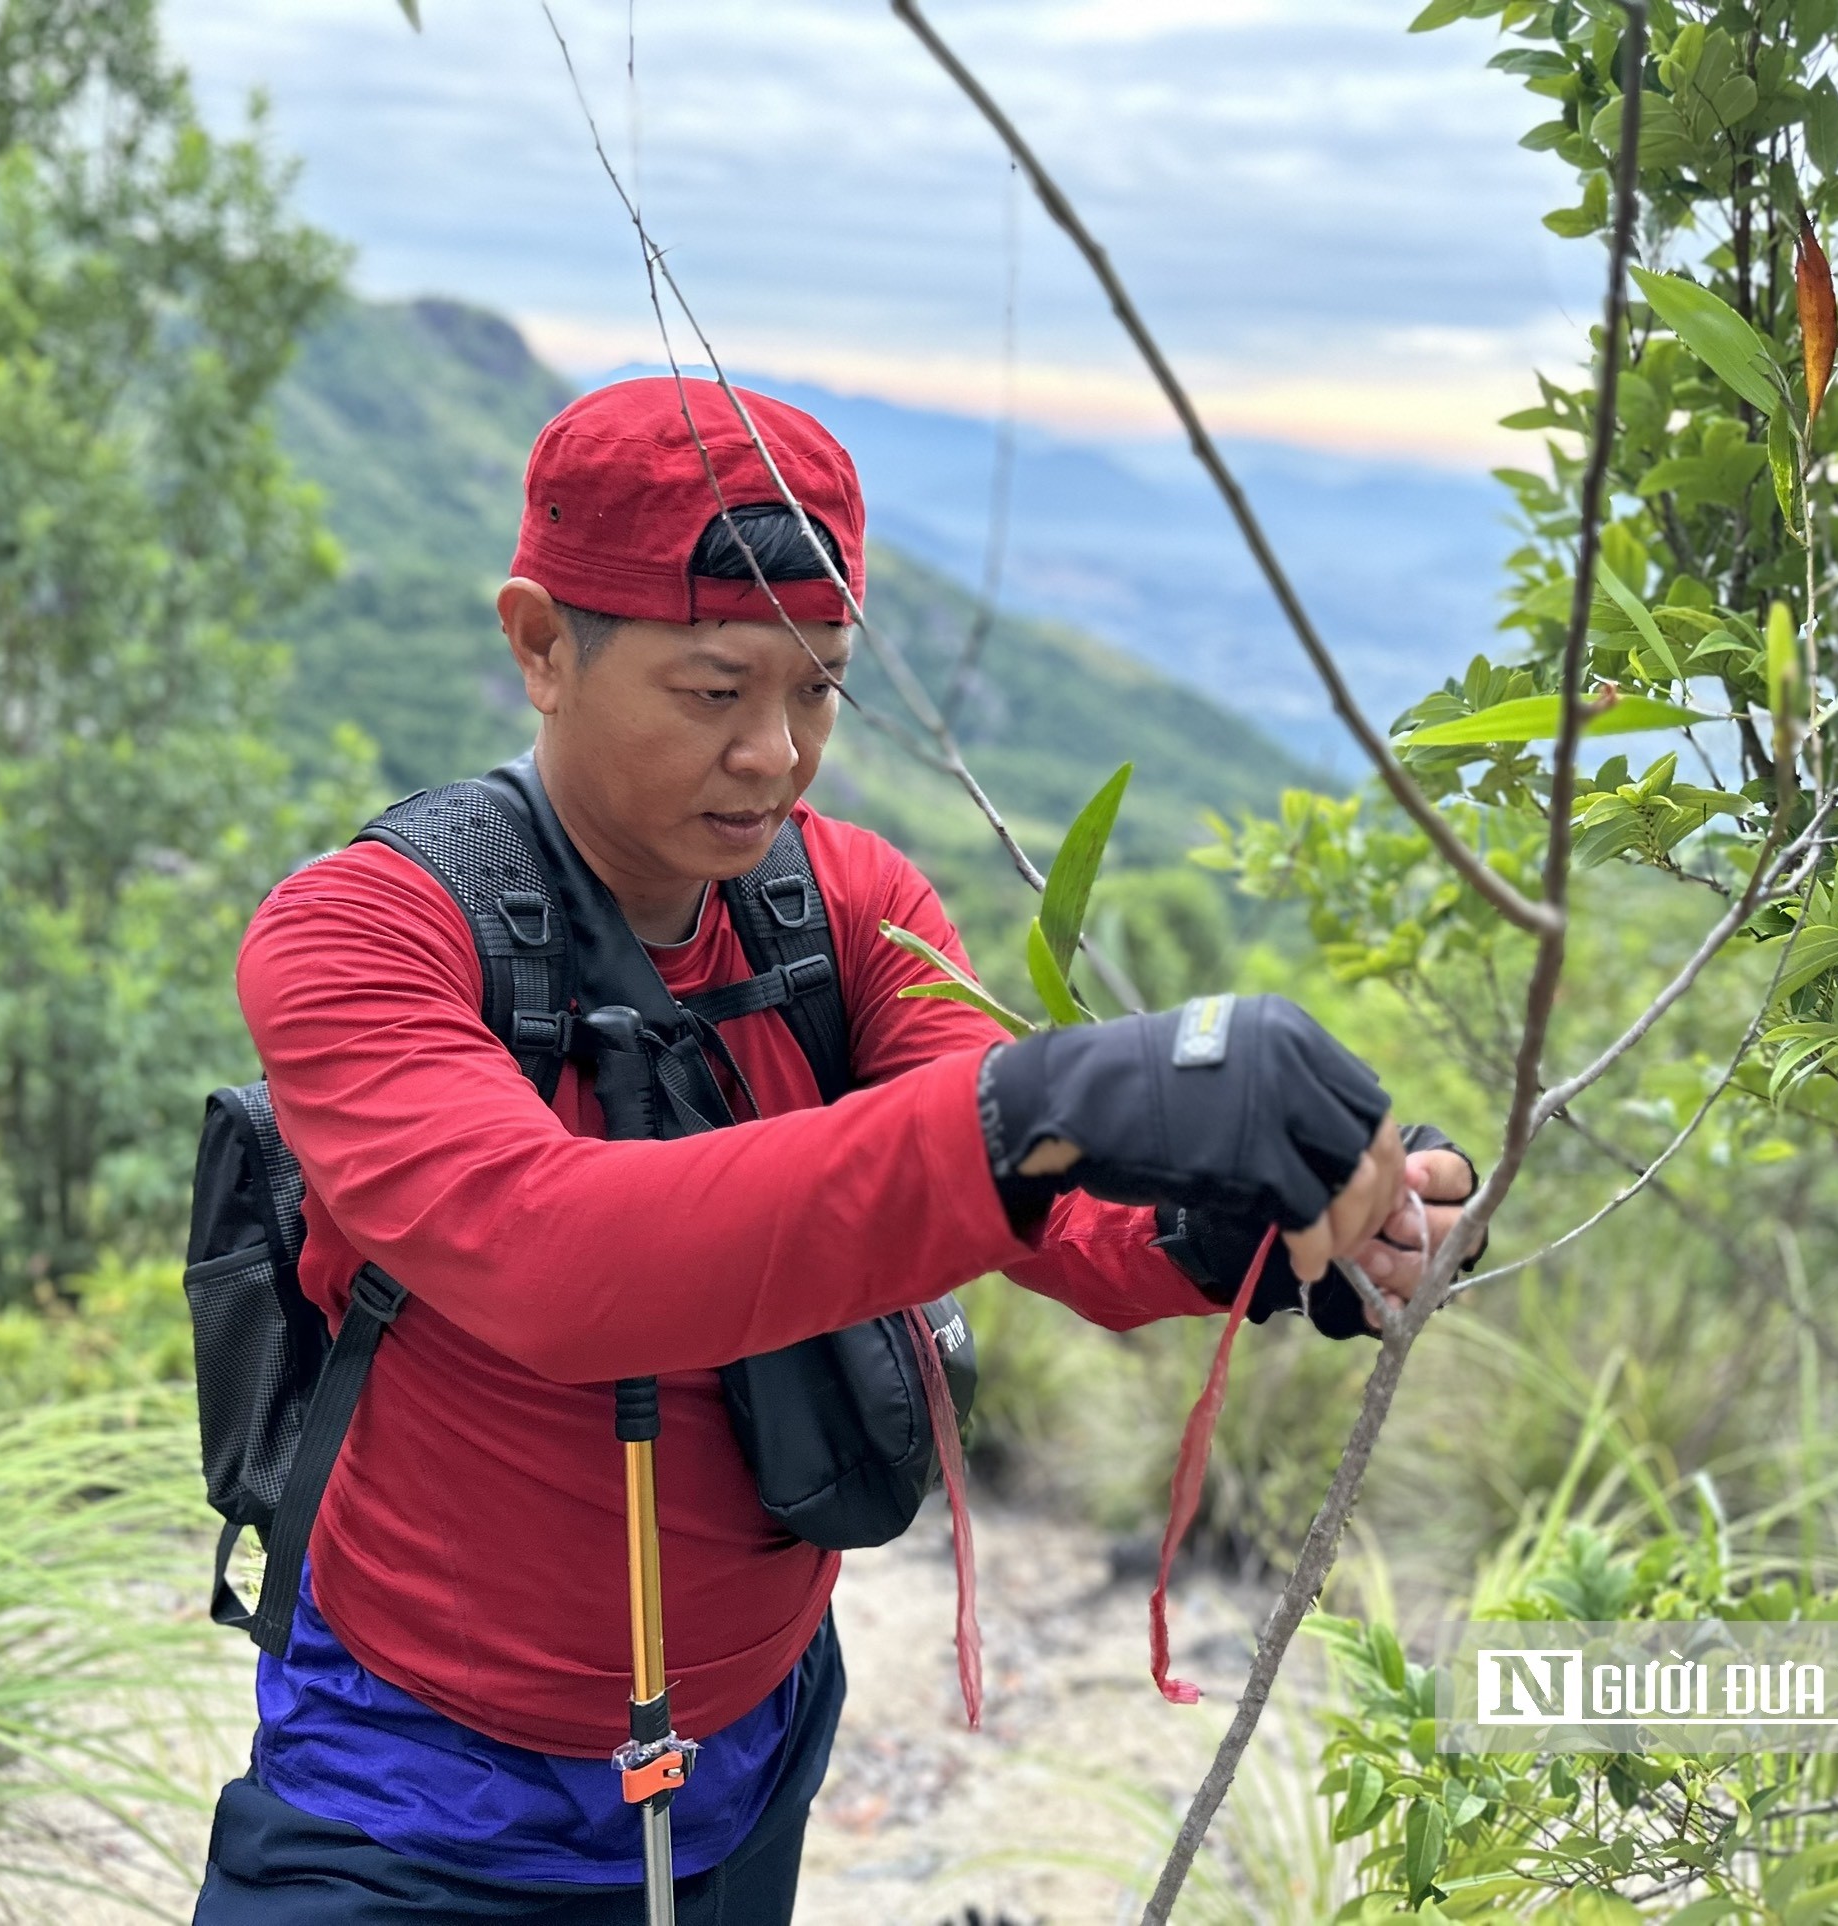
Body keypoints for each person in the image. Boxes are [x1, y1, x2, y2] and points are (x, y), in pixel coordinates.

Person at [194, 378, 1478, 1922]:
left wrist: (1280, 1229)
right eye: (715, 688)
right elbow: (554, 1256)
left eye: (819, 690)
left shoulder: (841, 908)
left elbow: (1047, 1212)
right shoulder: (362, 935)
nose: (777, 754)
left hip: (748, 1749)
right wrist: (1048, 1107)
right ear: (539, 643)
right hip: (412, 1797)